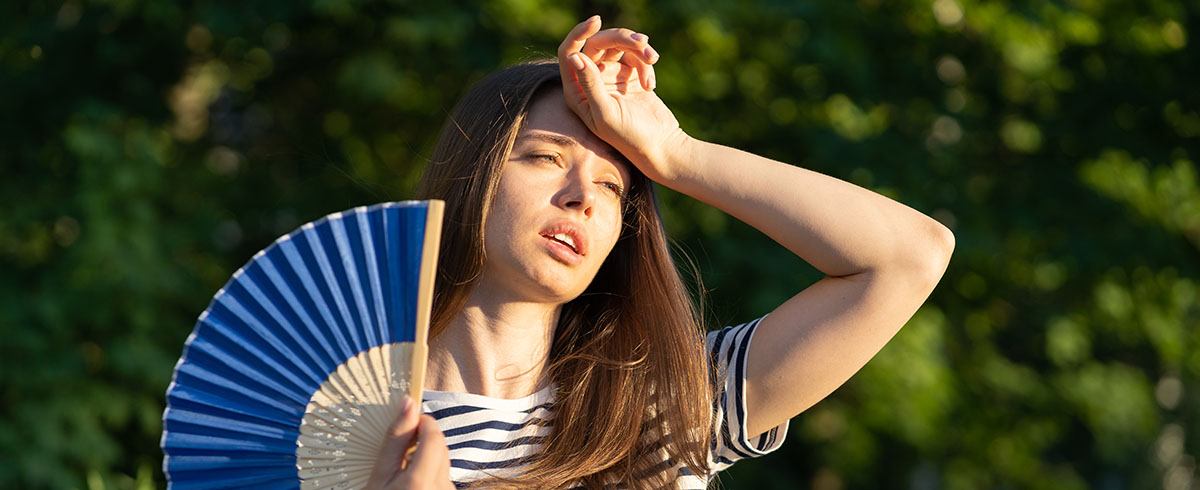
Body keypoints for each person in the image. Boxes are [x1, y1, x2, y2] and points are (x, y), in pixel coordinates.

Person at [366, 15, 954, 490]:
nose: (581, 199)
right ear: (473, 175)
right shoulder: (331, 426)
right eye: (546, 158)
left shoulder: (661, 407)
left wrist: (675, 155)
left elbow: (908, 256)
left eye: (611, 186)